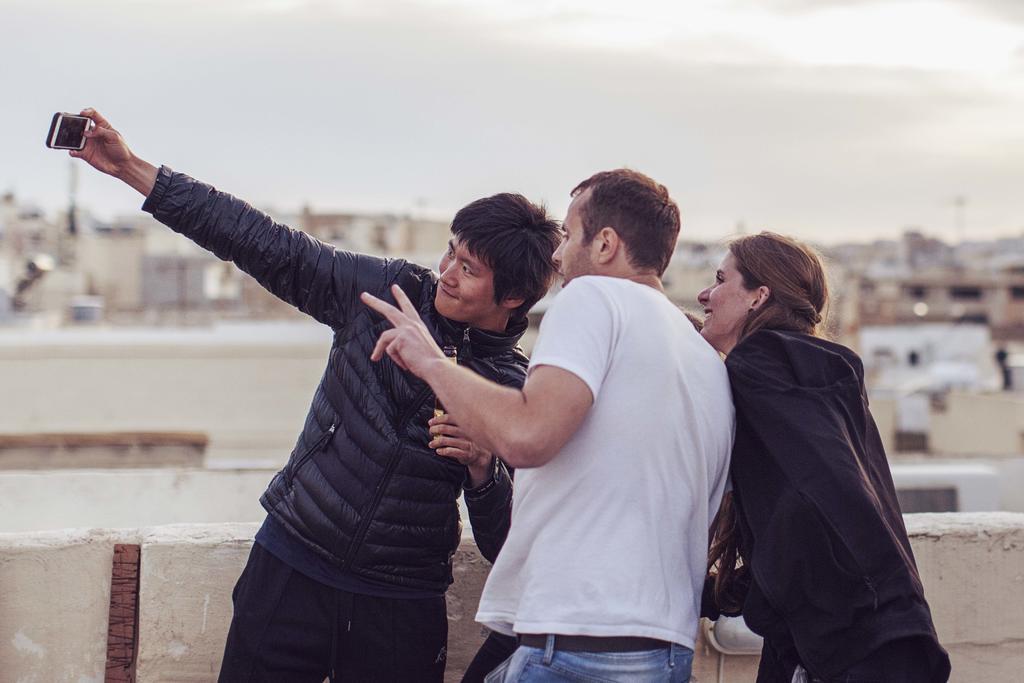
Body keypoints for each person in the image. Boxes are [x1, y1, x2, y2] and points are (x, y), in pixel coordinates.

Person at [70, 108, 562, 681]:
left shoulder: (513, 386)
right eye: (450, 250)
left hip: (399, 602)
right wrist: (133, 169)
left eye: (469, 268)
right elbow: (262, 242)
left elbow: (507, 543)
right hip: (293, 560)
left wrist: (482, 470)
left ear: (513, 298)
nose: (447, 271)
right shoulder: (385, 289)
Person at [362, 168, 735, 682]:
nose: (557, 256)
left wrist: (431, 362)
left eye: (569, 234)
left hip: (582, 641)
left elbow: (528, 435)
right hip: (663, 648)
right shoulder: (702, 354)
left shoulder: (593, 298)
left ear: (605, 243)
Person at [698, 232, 952, 682]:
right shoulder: (830, 374)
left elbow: (809, 509)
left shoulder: (756, 365)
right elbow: (819, 499)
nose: (704, 294)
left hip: (843, 650)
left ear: (759, 296)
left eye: (720, 280)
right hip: (895, 634)